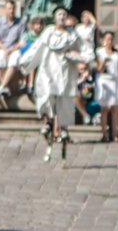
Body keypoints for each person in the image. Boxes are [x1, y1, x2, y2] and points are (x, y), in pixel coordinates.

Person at [19, 7, 92, 141]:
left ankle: (63, 128)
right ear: (54, 17)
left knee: (64, 99)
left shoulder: (72, 34)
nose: (62, 17)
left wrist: (84, 57)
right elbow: (37, 47)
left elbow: (84, 48)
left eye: (64, 14)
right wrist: (24, 60)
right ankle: (48, 122)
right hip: (48, 70)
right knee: (46, 95)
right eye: (59, 14)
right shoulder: (48, 32)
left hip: (64, 71)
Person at [95, 30, 118, 142]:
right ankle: (104, 134)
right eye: (107, 39)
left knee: (115, 109)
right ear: (103, 40)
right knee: (104, 109)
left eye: (111, 39)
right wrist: (103, 63)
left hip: (115, 81)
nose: (109, 42)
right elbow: (98, 69)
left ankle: (115, 134)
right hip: (104, 81)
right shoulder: (100, 52)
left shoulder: (117, 53)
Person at [0, 1, 25, 98]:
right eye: (9, 8)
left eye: (13, 8)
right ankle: (4, 87)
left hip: (15, 48)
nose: (11, 11)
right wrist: (5, 50)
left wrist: (12, 50)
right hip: (3, 48)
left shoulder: (21, 22)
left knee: (14, 60)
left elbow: (22, 40)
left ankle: (2, 86)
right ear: (5, 10)